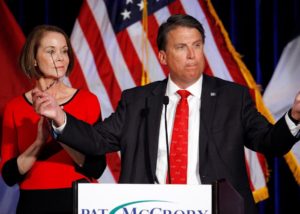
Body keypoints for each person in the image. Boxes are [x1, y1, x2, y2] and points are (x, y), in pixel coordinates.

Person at [32, 15, 300, 214]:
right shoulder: (137, 101)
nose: (192, 55)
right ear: (162, 57)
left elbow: (269, 142)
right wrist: (60, 117)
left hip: (217, 208)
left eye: (197, 45)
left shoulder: (234, 97)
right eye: (182, 47)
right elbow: (96, 140)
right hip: (152, 208)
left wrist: (295, 117)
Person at [0, 25, 106, 214]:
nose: (60, 58)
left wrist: (60, 128)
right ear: (33, 59)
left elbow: (96, 167)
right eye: (51, 51)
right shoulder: (14, 108)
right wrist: (39, 142)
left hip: (79, 199)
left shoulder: (88, 101)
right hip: (33, 202)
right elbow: (9, 175)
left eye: (64, 51)